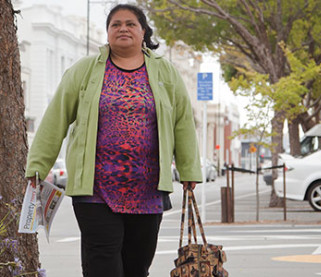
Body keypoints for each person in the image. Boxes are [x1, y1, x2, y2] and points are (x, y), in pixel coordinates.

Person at [25, 4, 201, 277]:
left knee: (137, 267)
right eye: (115, 24)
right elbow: (55, 119)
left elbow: (183, 124)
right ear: (107, 33)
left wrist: (189, 170)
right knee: (101, 264)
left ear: (144, 31)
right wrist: (37, 167)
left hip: (148, 191)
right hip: (95, 190)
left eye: (130, 24)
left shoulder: (166, 73)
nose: (123, 28)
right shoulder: (84, 70)